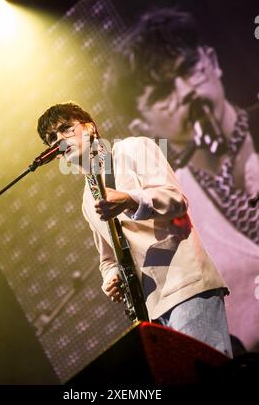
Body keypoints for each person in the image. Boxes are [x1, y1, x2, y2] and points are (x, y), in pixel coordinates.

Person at [103, 7, 259, 353]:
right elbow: (158, 271)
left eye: (189, 68)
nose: (185, 91)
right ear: (142, 128)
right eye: (162, 94)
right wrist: (117, 273)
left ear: (212, 61)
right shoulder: (168, 202)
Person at [37, 102, 233, 357]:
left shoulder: (133, 148)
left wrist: (130, 199)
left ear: (90, 127)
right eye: (52, 139)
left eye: (65, 129)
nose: (59, 141)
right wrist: (110, 277)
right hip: (150, 310)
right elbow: (107, 259)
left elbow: (176, 200)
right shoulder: (87, 199)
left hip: (185, 284)